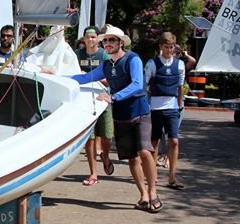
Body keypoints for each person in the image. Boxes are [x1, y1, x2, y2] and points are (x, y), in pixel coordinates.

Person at [69, 25, 160, 212]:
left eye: (112, 40)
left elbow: (137, 84)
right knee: (132, 158)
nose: (108, 43)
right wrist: (56, 77)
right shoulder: (107, 65)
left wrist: (113, 97)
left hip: (140, 112)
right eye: (106, 41)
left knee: (144, 151)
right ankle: (143, 194)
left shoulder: (132, 59)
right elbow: (84, 78)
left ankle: (153, 192)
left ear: (120, 42)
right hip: (122, 116)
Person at [144, 32, 185, 190]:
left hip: (172, 107)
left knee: (174, 141)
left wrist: (180, 102)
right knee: (154, 142)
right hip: (154, 107)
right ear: (160, 47)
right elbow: (145, 84)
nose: (169, 50)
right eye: (166, 47)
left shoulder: (179, 65)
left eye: (172, 47)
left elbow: (180, 85)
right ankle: (152, 176)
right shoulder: (152, 64)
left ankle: (172, 177)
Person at [75, 26, 114, 186]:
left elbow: (110, 79)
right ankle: (93, 173)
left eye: (93, 37)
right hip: (83, 100)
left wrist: (92, 78)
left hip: (102, 98)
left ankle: (105, 154)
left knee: (107, 135)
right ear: (83, 39)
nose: (90, 40)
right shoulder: (77, 55)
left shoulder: (103, 55)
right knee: (89, 139)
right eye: (87, 37)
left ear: (97, 39)